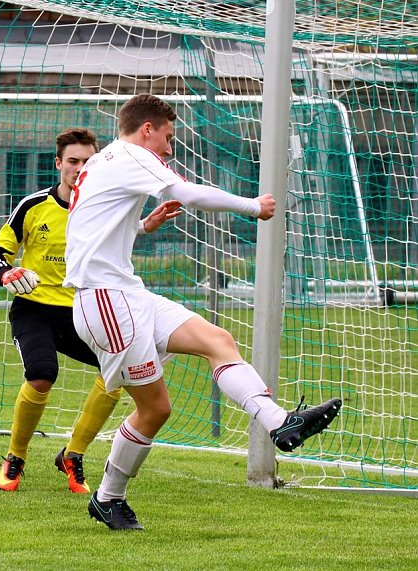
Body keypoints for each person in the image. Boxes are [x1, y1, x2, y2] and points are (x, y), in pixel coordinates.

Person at [64, 93, 342, 530]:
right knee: (155, 410)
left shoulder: (105, 161)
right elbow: (184, 191)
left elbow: (89, 224)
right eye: (168, 138)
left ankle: (281, 423)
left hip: (128, 294)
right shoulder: (131, 154)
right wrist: (253, 206)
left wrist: (140, 226)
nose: (169, 149)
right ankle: (107, 497)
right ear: (148, 128)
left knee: (218, 341)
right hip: (105, 302)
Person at [0, 128, 182, 494]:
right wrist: (6, 272)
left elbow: (109, 237)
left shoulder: (102, 201)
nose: (79, 168)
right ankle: (15, 457)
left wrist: (143, 226)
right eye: (72, 161)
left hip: (84, 310)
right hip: (35, 309)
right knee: (42, 374)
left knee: (118, 376)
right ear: (58, 163)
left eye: (87, 161)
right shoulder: (32, 206)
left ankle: (72, 455)